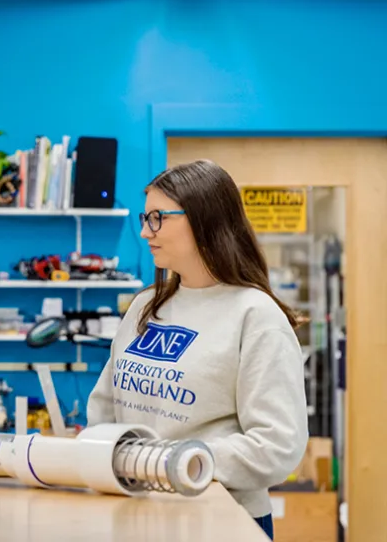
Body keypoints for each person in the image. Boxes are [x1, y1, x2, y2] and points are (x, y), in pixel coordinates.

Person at [87, 159, 308, 540]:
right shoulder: (144, 307)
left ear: (204, 220)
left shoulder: (255, 316)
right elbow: (104, 410)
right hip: (136, 512)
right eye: (145, 217)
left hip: (222, 521)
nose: (144, 232)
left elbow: (276, 444)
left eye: (157, 218)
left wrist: (171, 462)